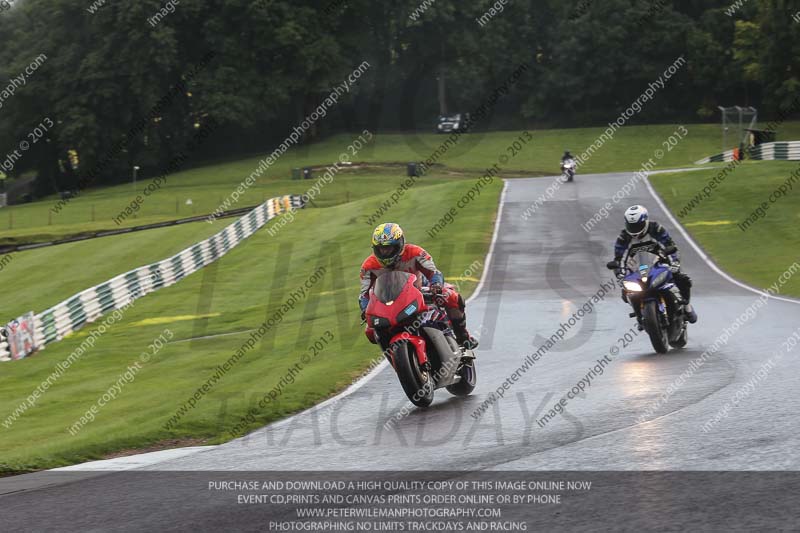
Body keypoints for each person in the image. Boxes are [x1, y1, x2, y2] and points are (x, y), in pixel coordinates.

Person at [359, 223, 479, 348]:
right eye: (380, 249)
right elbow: (364, 295)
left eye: (389, 248)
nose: (385, 252)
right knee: (370, 331)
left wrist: (436, 285)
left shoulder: (415, 252)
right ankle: (391, 352)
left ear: (399, 244)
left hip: (419, 290)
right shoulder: (368, 266)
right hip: (389, 301)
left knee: (452, 297)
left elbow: (434, 272)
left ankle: (463, 337)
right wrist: (365, 309)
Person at [612, 205, 698, 323]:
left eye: (637, 225)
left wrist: (674, 262)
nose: (634, 230)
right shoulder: (623, 237)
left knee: (682, 278)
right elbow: (619, 258)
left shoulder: (656, 229)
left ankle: (687, 307)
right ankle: (640, 315)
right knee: (626, 291)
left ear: (645, 221)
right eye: (631, 226)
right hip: (637, 270)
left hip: (659, 263)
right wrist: (620, 274)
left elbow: (670, 245)